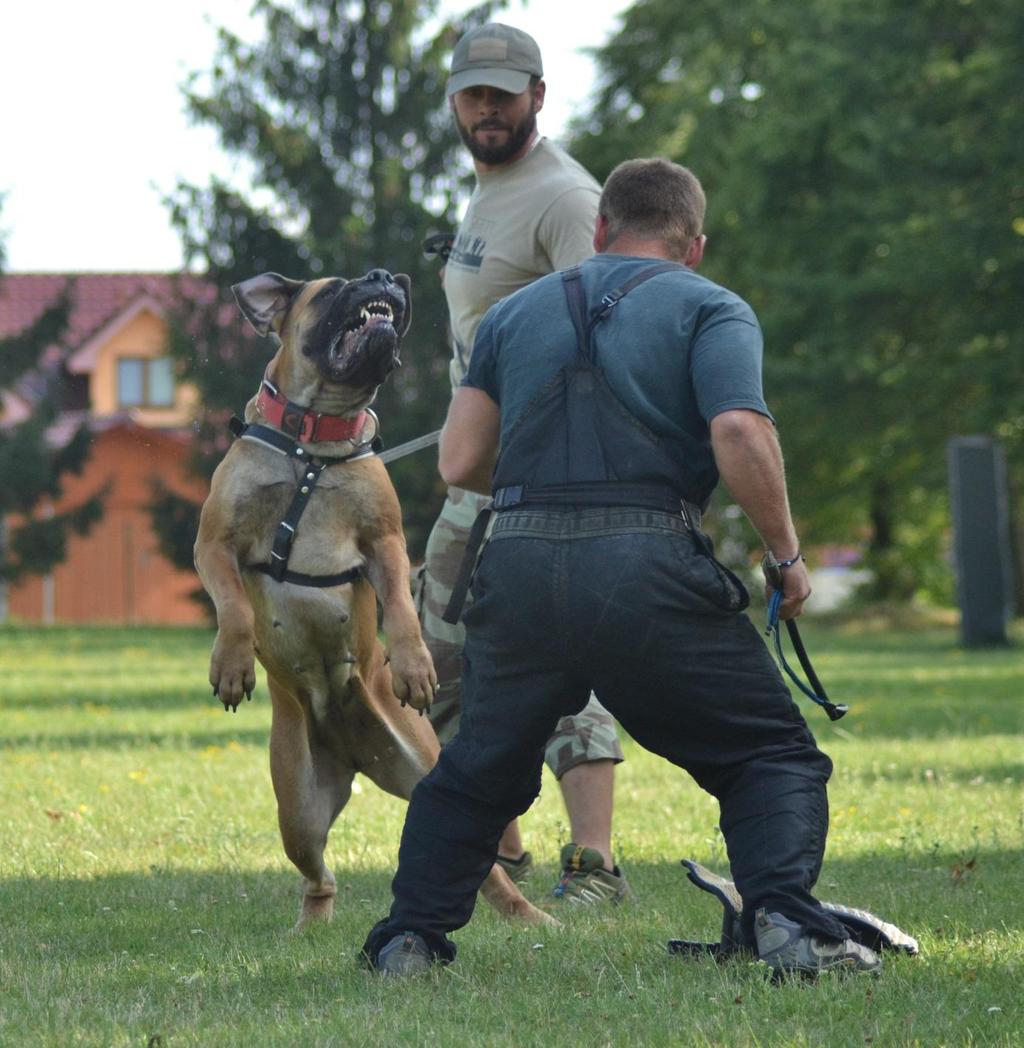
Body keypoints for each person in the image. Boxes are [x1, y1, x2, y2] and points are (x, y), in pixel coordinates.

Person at [363, 157, 883, 978]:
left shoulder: (510, 315)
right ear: (695, 245)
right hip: (650, 562)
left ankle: (407, 941)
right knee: (769, 755)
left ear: (600, 229)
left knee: (479, 770)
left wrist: (553, 499)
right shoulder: (712, 306)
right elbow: (741, 434)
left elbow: (460, 460)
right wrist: (786, 556)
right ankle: (784, 921)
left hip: (520, 564)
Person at [418, 21, 628, 902]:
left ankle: (595, 865)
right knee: (437, 662)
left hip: (544, 476)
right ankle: (500, 853)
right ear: (456, 102)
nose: (488, 108)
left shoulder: (564, 199)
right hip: (478, 477)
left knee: (556, 654)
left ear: (539, 94)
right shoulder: (490, 189)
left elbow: (609, 328)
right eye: (474, 93)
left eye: (505, 93)